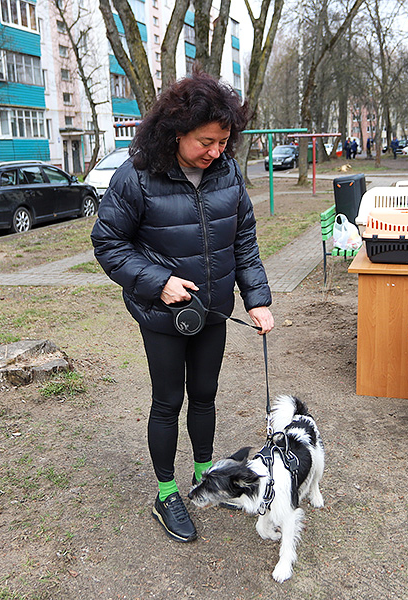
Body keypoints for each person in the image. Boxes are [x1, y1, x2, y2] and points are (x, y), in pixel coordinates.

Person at [91, 73, 275, 542]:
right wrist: (159, 283)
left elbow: (244, 242)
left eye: (223, 141)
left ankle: (204, 473)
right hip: (163, 316)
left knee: (207, 396)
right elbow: (108, 243)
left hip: (213, 311)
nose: (215, 151)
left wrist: (257, 299)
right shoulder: (137, 177)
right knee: (168, 403)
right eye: (205, 142)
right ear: (176, 132)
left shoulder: (227, 173)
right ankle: (167, 492)